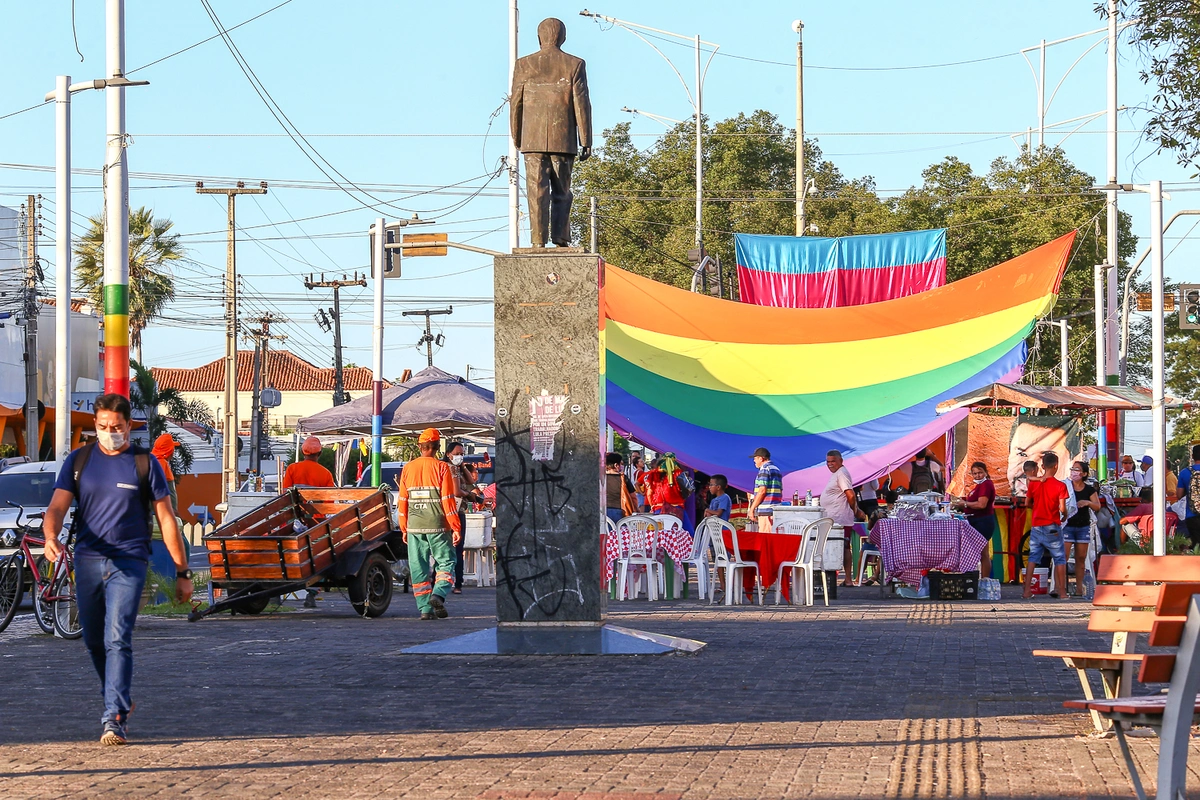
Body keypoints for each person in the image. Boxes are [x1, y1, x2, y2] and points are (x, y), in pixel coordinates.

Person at [42, 393, 191, 746]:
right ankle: (120, 699)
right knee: (93, 641)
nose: (111, 433)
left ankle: (114, 719)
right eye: (104, 427)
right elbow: (57, 507)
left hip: (129, 561)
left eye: (118, 427)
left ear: (129, 426)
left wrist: (183, 573)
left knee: (117, 636)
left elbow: (166, 518)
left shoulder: (144, 464)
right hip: (88, 559)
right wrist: (50, 536)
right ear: (96, 425)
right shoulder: (79, 460)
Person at [509, 17, 592, 248]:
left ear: (539, 38)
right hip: (563, 139)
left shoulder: (523, 64)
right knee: (562, 191)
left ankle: (537, 241)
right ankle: (561, 238)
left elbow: (516, 102)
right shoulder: (575, 64)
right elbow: (582, 104)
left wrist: (517, 136)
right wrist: (585, 139)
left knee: (536, 193)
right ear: (562, 37)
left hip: (532, 140)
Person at [396, 428, 462, 620]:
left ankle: (425, 609)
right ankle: (438, 594)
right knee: (447, 562)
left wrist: (403, 527)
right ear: (437, 447)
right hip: (438, 525)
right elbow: (448, 501)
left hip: (414, 526)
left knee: (418, 567)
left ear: (420, 447)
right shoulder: (442, 468)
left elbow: (402, 501)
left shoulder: (408, 468)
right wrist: (455, 527)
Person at [1023, 452, 1069, 600]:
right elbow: (1062, 508)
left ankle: (1026, 591)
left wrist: (1036, 508)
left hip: (1036, 524)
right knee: (1059, 559)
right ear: (1056, 465)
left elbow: (1027, 503)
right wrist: (1065, 514)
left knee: (1033, 558)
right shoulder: (1061, 486)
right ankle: (1062, 593)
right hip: (1052, 525)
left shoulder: (1035, 483)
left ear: (1042, 466)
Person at [819, 449, 865, 586]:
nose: (830, 464)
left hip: (840, 519)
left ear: (841, 461)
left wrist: (856, 511)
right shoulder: (837, 474)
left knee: (844, 547)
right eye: (828, 462)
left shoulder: (842, 474)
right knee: (839, 546)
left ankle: (848, 580)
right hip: (835, 518)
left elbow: (850, 495)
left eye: (833, 461)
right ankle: (845, 579)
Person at [443, 441, 484, 594]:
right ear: (448, 454)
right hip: (453, 511)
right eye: (457, 454)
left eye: (462, 454)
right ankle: (454, 583)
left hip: (458, 510)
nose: (459, 457)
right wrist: (471, 495)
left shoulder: (457, 468)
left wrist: (462, 465)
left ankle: (453, 582)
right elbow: (456, 491)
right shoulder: (449, 468)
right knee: (452, 548)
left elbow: (471, 481)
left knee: (453, 549)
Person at [1062, 461, 1100, 597]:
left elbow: (1097, 506)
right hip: (1067, 525)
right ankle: (1060, 588)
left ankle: (1079, 588)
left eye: (1077, 469)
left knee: (1081, 558)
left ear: (1084, 474)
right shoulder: (1066, 486)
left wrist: (1088, 502)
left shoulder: (1089, 489)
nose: (1074, 472)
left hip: (1083, 526)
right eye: (1072, 468)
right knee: (1063, 557)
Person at [953, 462, 995, 576]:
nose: (977, 476)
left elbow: (982, 504)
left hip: (983, 522)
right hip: (976, 521)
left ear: (986, 472)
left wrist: (965, 504)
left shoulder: (986, 484)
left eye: (980, 473)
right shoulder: (979, 486)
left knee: (983, 553)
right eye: (975, 473)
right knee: (981, 553)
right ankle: (981, 580)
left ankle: (985, 581)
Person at [644, 452, 690, 519]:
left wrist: (653, 506)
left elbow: (649, 493)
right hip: (677, 509)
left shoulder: (653, 474)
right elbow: (687, 491)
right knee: (687, 529)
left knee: (657, 528)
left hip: (659, 509)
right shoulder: (680, 473)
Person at [747, 447, 783, 532]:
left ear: (761, 458)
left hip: (766, 510)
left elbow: (762, 491)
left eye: (755, 458)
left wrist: (752, 509)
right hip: (776, 510)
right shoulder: (776, 469)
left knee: (766, 539)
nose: (754, 461)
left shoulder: (764, 470)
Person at [150, 433, 179, 515]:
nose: (173, 451)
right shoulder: (161, 463)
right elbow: (158, 489)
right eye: (172, 448)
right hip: (162, 512)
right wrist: (171, 510)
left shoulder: (153, 460)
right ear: (169, 450)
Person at [605, 452, 637, 525]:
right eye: (620, 464)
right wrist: (636, 510)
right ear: (616, 465)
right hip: (619, 511)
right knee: (619, 534)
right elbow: (633, 497)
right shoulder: (623, 478)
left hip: (602, 511)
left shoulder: (600, 478)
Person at [1180, 446, 1200, 548]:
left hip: (1191, 514)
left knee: (1196, 545)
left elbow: (1179, 494)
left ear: (1192, 456)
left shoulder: (1185, 472)